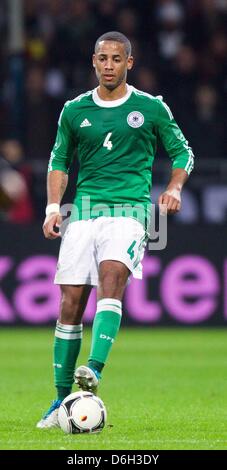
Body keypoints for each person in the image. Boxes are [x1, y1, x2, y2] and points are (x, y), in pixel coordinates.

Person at [37, 31, 194, 429]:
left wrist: (173, 187)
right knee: (70, 302)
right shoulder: (74, 110)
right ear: (94, 62)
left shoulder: (150, 108)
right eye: (102, 58)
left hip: (130, 211)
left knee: (112, 276)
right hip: (84, 211)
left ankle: (93, 368)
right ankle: (60, 403)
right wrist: (54, 207)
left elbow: (183, 152)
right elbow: (59, 160)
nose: (109, 65)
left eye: (116, 58)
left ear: (130, 63)